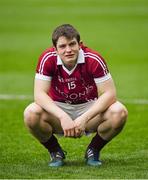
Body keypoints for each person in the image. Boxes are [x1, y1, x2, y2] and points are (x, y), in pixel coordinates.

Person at [24, 24, 128, 167]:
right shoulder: (47, 58)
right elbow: (39, 94)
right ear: (55, 49)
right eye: (62, 46)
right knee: (31, 113)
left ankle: (94, 150)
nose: (68, 50)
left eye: (72, 44)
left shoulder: (93, 59)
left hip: (88, 107)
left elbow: (110, 94)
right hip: (58, 109)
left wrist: (84, 118)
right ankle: (55, 152)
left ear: (79, 44)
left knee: (119, 112)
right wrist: (63, 116)